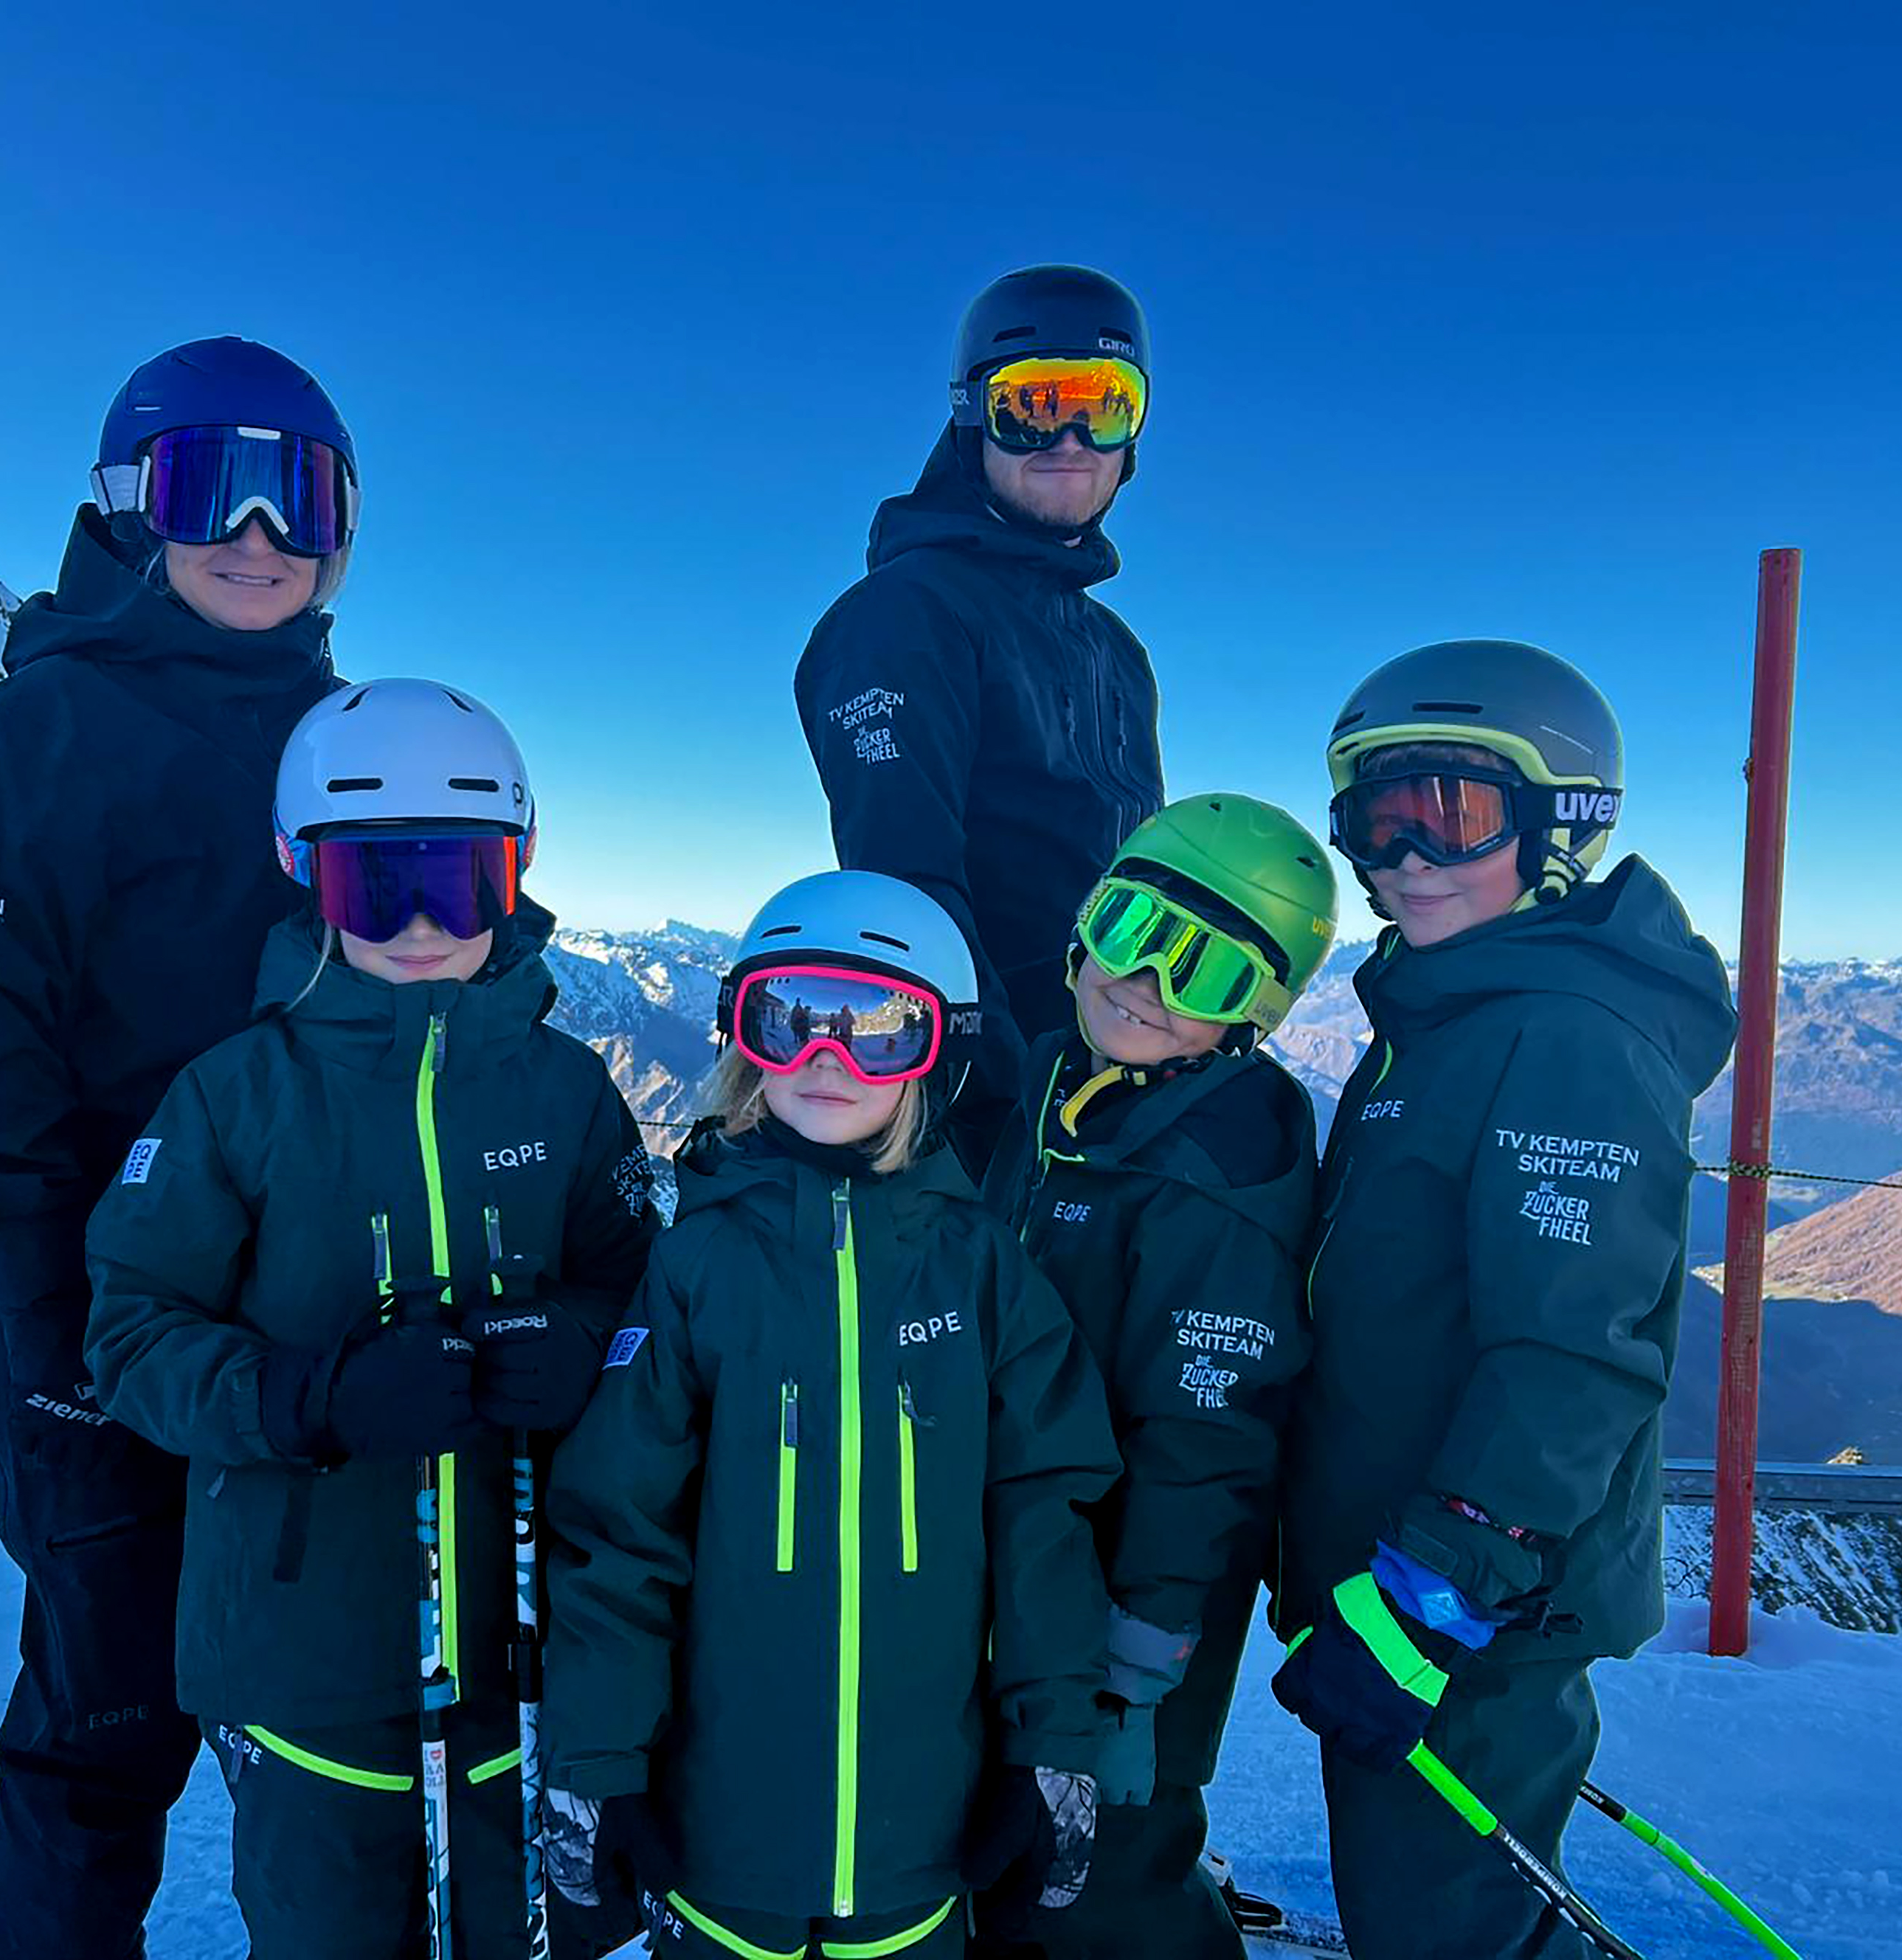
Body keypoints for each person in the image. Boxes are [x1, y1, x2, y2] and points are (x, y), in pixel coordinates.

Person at [0, 336, 358, 1959]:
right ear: (121, 505)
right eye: (199, 482)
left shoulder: (343, 738)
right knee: (109, 1713)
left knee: (321, 1714)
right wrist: (58, 1350)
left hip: (297, 1323)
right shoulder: (18, 749)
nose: (251, 528)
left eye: (293, 490)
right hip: (84, 1326)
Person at [82, 677, 659, 1960]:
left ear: (511, 879)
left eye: (455, 884)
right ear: (304, 879)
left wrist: (578, 1342)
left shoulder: (565, 1091)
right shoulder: (237, 1093)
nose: (415, 924)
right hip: (304, 1656)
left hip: (529, 1644)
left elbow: (645, 1295)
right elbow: (128, 1333)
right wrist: (306, 1396)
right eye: (371, 885)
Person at [537, 870, 1121, 1960]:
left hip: (920, 1837)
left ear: (936, 1053)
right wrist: (598, 1762)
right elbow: (619, 1529)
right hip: (722, 1837)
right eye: (787, 1020)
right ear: (740, 1035)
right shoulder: (697, 1264)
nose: (824, 1060)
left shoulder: (978, 1268)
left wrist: (1052, 1746)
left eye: (876, 1032)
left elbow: (1043, 1513)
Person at [1269, 641, 1737, 1958]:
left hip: (1468, 1599)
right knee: (1428, 1903)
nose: (1404, 853)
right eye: (1375, 813)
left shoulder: (1563, 1037)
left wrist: (1426, 1592)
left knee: (1443, 1931)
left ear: (1558, 830)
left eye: (1453, 811)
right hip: (1411, 1573)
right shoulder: (1453, 1010)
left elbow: (1573, 1357)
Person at [982, 795, 1339, 1960]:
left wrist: (1144, 1658)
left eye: (1205, 970)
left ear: (1258, 1013)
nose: (1142, 981)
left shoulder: (1220, 1164)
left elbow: (1210, 1429)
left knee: (1105, 1868)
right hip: (1021, 1552)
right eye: (1129, 923)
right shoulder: (1058, 1078)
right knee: (1008, 1840)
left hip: (1130, 1585)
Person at [795, 265, 1164, 1174]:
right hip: (994, 1122)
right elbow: (910, 885)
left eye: (1103, 405)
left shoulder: (1116, 652)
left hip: (1108, 1092)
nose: (1070, 437)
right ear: (973, 417)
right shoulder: (904, 617)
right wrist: (1016, 1104)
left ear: (1134, 435)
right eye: (1032, 405)